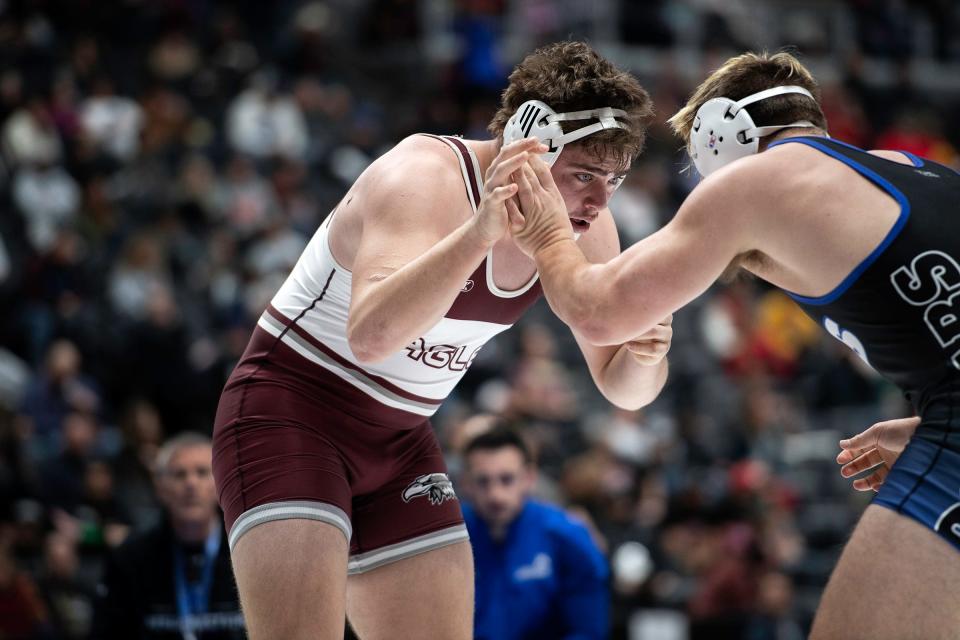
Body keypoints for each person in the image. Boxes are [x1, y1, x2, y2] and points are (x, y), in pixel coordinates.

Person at [212, 41, 673, 640]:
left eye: (613, 178)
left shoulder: (588, 224)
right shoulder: (423, 176)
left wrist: (647, 352)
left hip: (400, 440)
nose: (600, 200)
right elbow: (372, 335)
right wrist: (480, 233)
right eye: (584, 174)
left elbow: (624, 390)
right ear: (527, 144)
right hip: (292, 414)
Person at [510, 50, 960, 639]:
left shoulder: (761, 180)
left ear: (723, 134)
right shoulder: (915, 169)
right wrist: (927, 420)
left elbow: (598, 313)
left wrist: (545, 231)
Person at [461, 421, 609, 640]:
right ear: (466, 483)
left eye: (507, 479)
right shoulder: (448, 538)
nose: (496, 494)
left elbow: (587, 630)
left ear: (529, 478)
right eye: (483, 481)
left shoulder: (567, 535)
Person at [91, 433, 244, 639]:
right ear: (160, 488)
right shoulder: (129, 559)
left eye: (201, 472)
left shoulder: (246, 554)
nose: (191, 484)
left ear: (219, 485)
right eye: (179, 474)